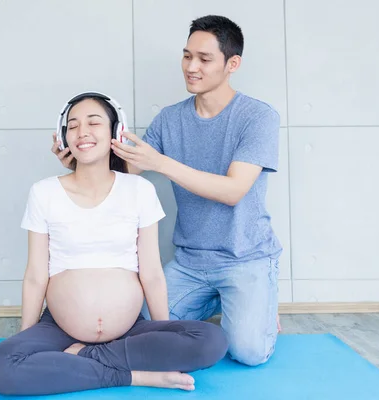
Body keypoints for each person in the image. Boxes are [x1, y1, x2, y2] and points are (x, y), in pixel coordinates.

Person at [52, 15, 282, 367]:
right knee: (130, 323)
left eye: (204, 59)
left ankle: (259, 301)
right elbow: (122, 170)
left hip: (245, 258)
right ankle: (225, 302)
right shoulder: (170, 119)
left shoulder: (257, 117)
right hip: (190, 262)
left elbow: (234, 190)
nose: (191, 67)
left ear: (232, 64)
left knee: (249, 353)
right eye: (187, 56)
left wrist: (160, 163)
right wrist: (76, 159)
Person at [0, 92, 228, 396]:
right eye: (72, 126)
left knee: (212, 341)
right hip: (58, 329)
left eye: (93, 123)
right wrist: (20, 340)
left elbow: (150, 272)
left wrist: (164, 336)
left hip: (129, 330)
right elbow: (35, 275)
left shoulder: (139, 189)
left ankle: (83, 357)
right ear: (63, 137)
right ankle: (136, 376)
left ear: (115, 132)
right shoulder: (43, 193)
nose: (82, 131)